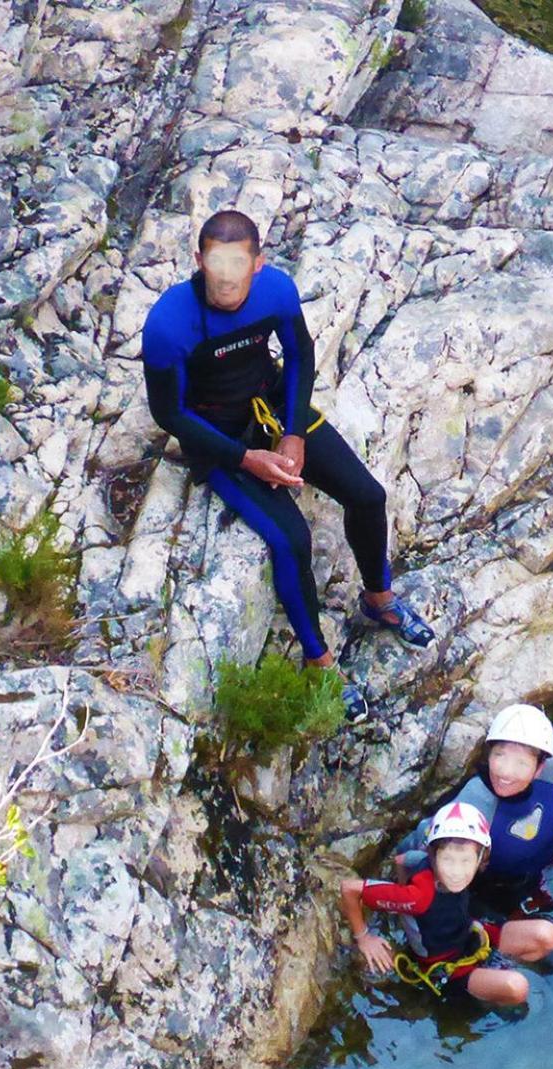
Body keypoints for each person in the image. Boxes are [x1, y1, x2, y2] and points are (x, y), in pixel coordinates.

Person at [141, 209, 435, 723]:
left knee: (368, 496)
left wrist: (293, 432)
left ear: (259, 261)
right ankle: (320, 661)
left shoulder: (275, 291)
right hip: (218, 437)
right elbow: (168, 412)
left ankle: (379, 597)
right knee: (290, 539)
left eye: (239, 261)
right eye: (216, 261)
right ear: (198, 260)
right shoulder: (170, 323)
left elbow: (300, 353)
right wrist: (244, 459)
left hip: (271, 406)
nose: (228, 274)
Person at [398, 704, 553, 970]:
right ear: (489, 754)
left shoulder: (552, 767)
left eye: (522, 762)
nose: (506, 772)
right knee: (549, 958)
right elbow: (421, 845)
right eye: (500, 755)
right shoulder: (475, 803)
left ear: (539, 766)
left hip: (537, 879)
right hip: (486, 899)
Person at [340, 800, 531, 1007]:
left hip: (468, 932)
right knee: (516, 987)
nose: (456, 872)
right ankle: (472, 1003)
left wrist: (403, 888)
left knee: (545, 936)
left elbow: (402, 860)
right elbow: (349, 888)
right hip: (445, 967)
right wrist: (364, 936)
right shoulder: (418, 898)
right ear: (433, 856)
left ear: (481, 860)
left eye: (465, 861)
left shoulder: (425, 859)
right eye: (447, 860)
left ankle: (492, 971)